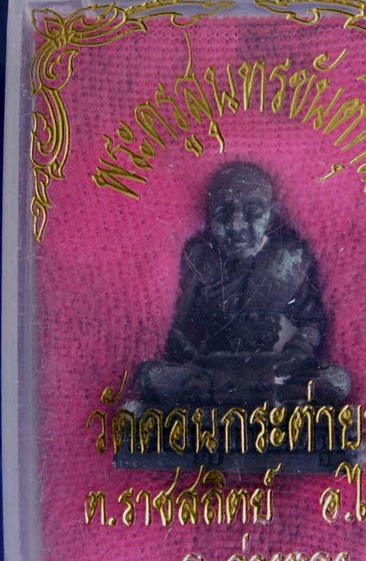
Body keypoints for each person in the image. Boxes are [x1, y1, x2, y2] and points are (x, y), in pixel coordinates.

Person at [134, 161, 350, 410]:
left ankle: (238, 391)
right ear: (208, 215)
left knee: (336, 382)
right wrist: (192, 357)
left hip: (273, 369)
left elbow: (313, 321)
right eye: (223, 212)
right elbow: (172, 326)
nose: (237, 225)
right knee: (149, 377)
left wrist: (296, 354)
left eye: (253, 211)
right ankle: (246, 392)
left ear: (271, 215)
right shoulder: (197, 258)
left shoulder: (289, 258)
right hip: (209, 369)